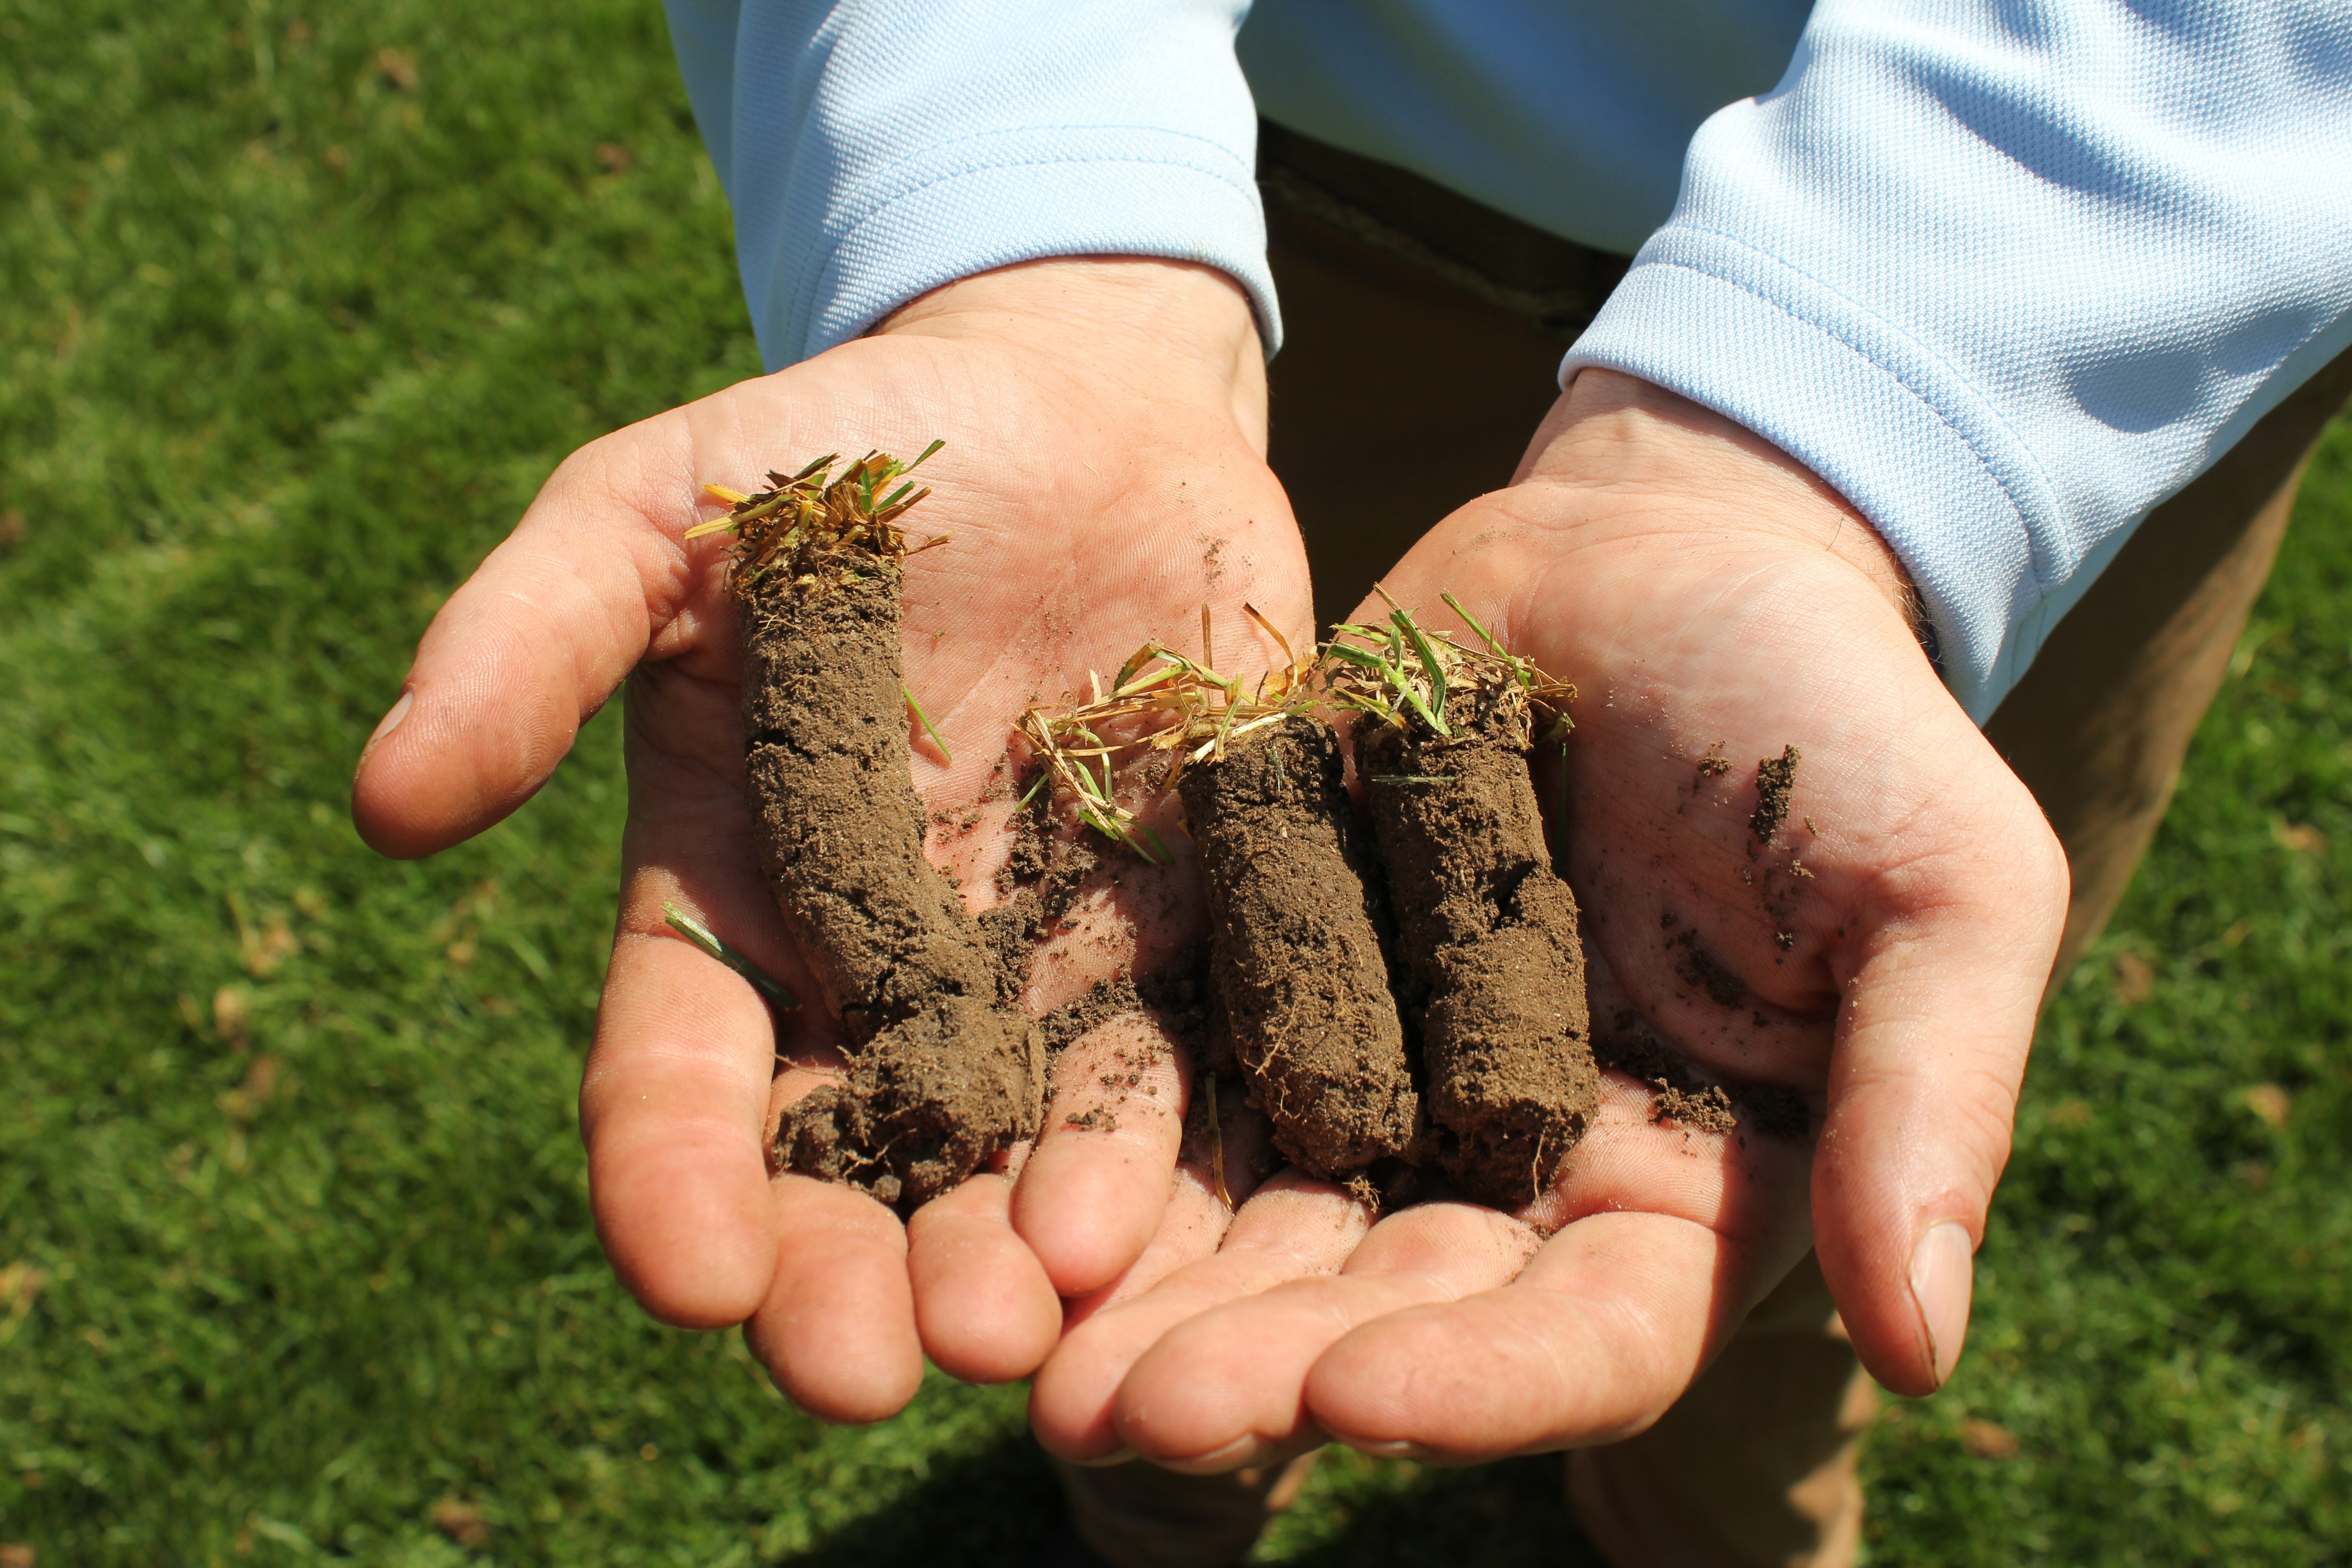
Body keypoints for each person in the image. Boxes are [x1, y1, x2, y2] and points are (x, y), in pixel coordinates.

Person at [349, 4, 2352, 1563]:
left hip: (2067, 324)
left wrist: (1852, 431)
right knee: (1138, 1232)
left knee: (1777, 1093)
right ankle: (1160, 1496)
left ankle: (1720, 1522)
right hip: (1282, 169)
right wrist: (1019, 229)